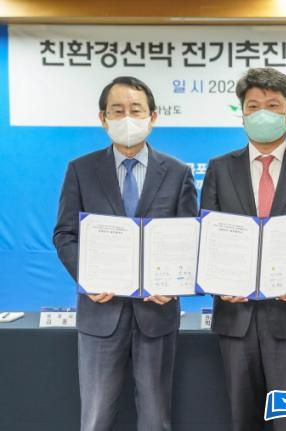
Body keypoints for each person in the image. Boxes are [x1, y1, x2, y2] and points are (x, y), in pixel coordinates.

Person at [53, 76, 198, 431]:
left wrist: (175, 285)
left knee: (155, 418)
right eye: (117, 111)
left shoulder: (178, 172)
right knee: (96, 419)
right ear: (103, 118)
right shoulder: (80, 170)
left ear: (153, 116)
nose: (127, 118)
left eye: (136, 109)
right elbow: (65, 234)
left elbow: (191, 238)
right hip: (100, 313)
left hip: (157, 313)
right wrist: (87, 277)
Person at [200, 67, 286, 431]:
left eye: (273, 105)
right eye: (253, 106)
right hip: (236, 315)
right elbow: (207, 235)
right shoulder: (219, 169)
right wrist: (218, 281)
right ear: (242, 113)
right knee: (241, 418)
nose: (263, 113)